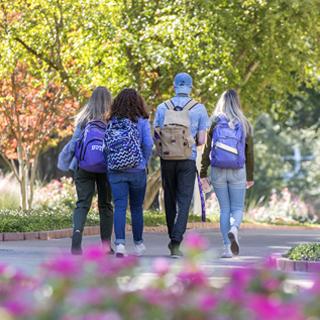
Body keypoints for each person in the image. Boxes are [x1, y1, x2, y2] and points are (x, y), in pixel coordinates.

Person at [154, 72, 209, 257]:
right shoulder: (199, 108)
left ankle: (172, 235)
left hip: (167, 158)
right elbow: (201, 140)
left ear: (175, 85)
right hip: (187, 158)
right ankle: (176, 240)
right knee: (184, 199)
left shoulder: (163, 107)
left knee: (169, 197)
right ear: (190, 87)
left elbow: (156, 134)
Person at [58, 86, 114, 255]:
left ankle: (76, 241)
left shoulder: (83, 119)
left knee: (82, 204)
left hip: (84, 167)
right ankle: (105, 246)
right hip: (106, 167)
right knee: (105, 205)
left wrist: (65, 161)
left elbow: (75, 143)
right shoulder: (112, 119)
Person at [200, 89, 254, 258]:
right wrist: (250, 176)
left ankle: (226, 248)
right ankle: (234, 228)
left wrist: (203, 172)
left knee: (224, 209)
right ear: (237, 103)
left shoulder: (214, 121)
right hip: (238, 170)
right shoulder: (244, 123)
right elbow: (250, 153)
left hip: (218, 170)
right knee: (237, 208)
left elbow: (207, 149)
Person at [105, 88, 153, 257]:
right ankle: (138, 244)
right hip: (137, 170)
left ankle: (120, 245)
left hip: (116, 170)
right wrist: (143, 161)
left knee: (119, 206)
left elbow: (107, 146)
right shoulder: (142, 121)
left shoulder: (112, 120)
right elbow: (148, 144)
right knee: (136, 208)